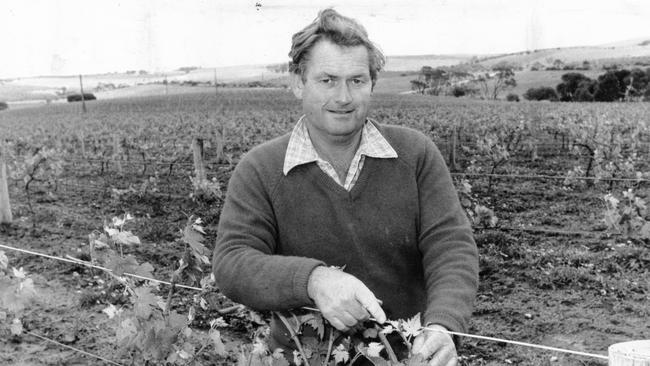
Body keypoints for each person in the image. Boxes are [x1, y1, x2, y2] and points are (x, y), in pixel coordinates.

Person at [212, 8, 478, 365]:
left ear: (372, 83)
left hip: (409, 357)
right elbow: (232, 262)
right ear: (297, 82)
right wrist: (314, 280)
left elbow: (451, 246)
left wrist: (444, 326)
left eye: (357, 80)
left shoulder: (415, 155)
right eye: (327, 80)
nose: (343, 97)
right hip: (304, 358)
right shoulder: (260, 170)